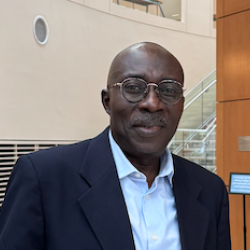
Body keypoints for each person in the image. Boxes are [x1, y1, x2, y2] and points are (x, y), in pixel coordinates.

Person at [0, 42, 231, 250]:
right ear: (107, 101)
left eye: (168, 90)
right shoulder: (43, 179)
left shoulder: (211, 191)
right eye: (133, 87)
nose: (152, 103)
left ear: (181, 104)